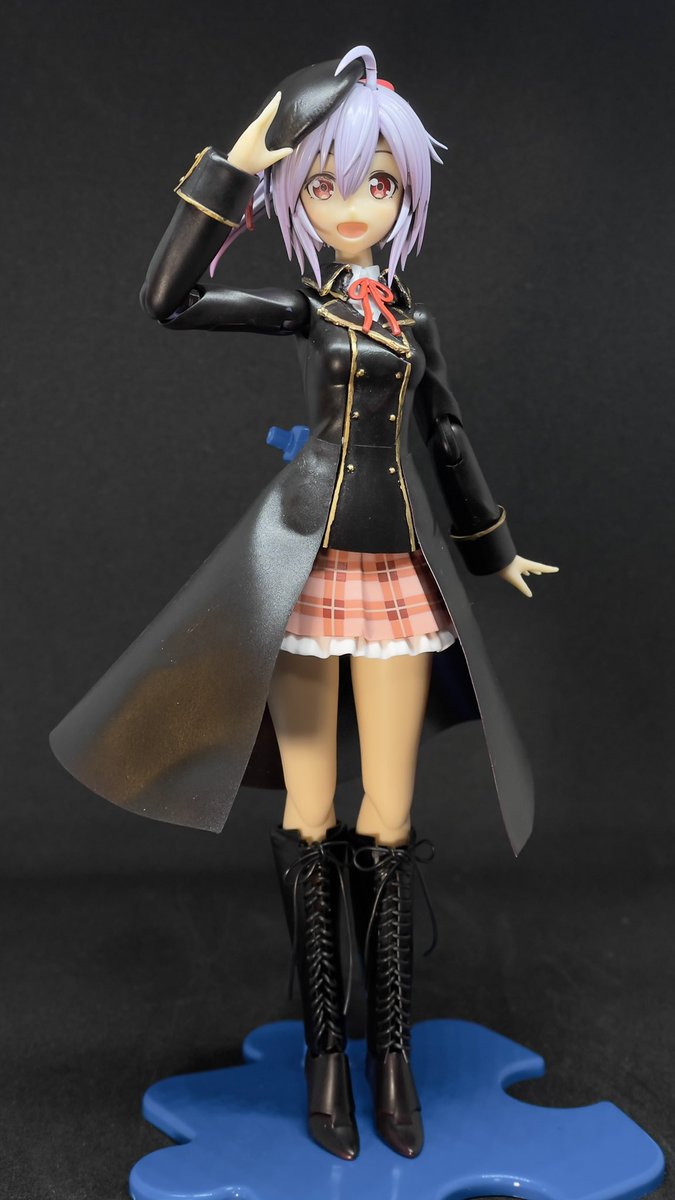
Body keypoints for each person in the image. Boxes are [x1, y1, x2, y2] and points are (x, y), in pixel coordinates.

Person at [50, 45, 557, 1162]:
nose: (349, 204)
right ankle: (329, 1047)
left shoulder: (412, 325)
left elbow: (447, 435)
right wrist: (232, 167)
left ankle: (391, 1049)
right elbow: (172, 300)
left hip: (400, 577)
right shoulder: (304, 311)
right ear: (298, 198)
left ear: (405, 194)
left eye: (375, 181)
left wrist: (494, 550)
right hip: (305, 569)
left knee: (390, 817)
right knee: (310, 807)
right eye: (323, 183)